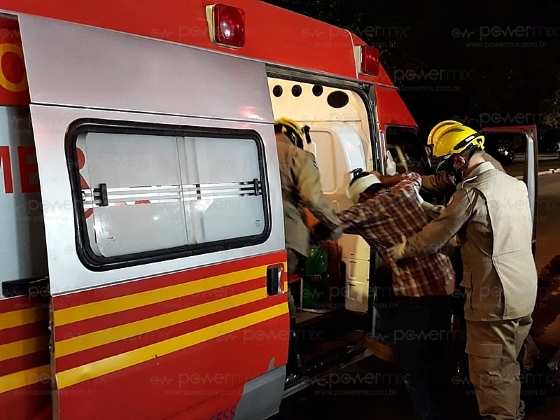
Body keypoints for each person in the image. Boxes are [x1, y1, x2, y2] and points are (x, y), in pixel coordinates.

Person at [389, 121, 537, 420]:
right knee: (508, 365)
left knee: (491, 377)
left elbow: (434, 238)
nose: (448, 174)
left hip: (493, 300)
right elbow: (478, 226)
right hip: (523, 292)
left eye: (448, 166)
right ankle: (515, 411)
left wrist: (402, 249)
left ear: (459, 160)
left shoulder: (471, 193)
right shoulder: (513, 184)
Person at [340, 168, 455, 420]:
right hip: (444, 286)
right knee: (438, 353)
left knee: (413, 365)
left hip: (414, 295)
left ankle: (427, 414)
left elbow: (330, 222)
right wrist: (384, 178)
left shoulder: (363, 212)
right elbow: (412, 175)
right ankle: (447, 406)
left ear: (360, 197)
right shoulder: (406, 190)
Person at [274, 118, 340, 274]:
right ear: (294, 136)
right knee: (281, 293)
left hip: (251, 241)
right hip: (287, 240)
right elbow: (312, 198)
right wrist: (334, 225)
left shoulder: (250, 148)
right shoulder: (297, 156)